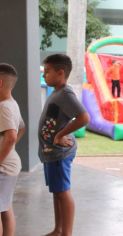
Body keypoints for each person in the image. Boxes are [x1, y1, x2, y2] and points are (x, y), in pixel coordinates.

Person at [39, 54, 90, 236]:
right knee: (57, 191)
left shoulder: (65, 94)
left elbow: (84, 117)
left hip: (59, 153)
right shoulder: (57, 93)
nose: (44, 75)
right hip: (51, 152)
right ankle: (58, 229)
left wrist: (61, 134)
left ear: (60, 73)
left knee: (63, 192)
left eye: (47, 71)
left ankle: (66, 233)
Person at [0, 63, 25, 236]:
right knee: (5, 206)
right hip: (10, 165)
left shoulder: (3, 107)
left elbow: (11, 136)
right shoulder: (12, 103)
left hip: (3, 168)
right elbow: (21, 127)